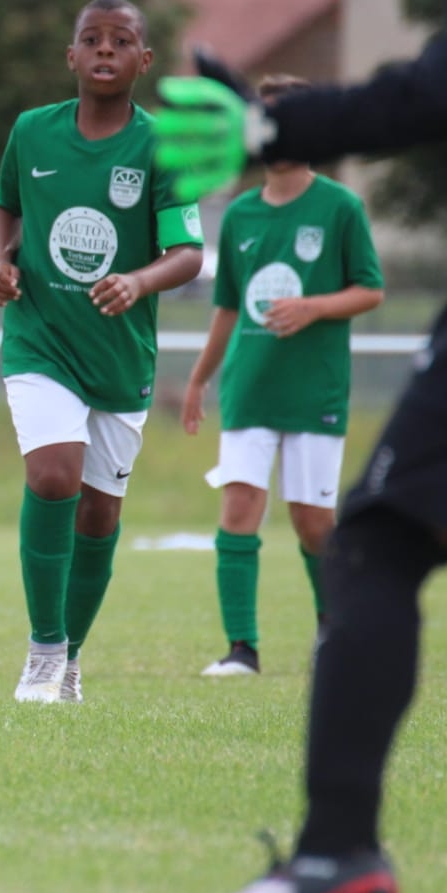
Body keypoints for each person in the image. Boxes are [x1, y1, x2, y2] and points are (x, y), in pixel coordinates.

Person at [157, 0, 447, 893]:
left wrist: (271, 127)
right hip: (260, 388)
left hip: (320, 383)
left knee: (379, 543)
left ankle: (337, 854)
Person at [0, 0, 204, 702]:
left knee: (99, 513)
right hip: (40, 338)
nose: (104, 49)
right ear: (71, 56)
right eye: (91, 38)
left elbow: (188, 253)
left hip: (118, 354)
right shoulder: (32, 131)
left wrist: (138, 281)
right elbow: (4, 207)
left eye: (121, 40)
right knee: (54, 476)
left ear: (144, 61)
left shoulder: (163, 147)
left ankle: (71, 657)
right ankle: (43, 651)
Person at [180, 75, 384, 678]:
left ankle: (332, 630)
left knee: (311, 520)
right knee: (239, 505)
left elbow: (370, 290)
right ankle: (241, 649)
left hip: (314, 389)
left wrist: (314, 307)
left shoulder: (340, 207)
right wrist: (199, 378)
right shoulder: (240, 214)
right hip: (250, 386)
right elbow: (227, 307)